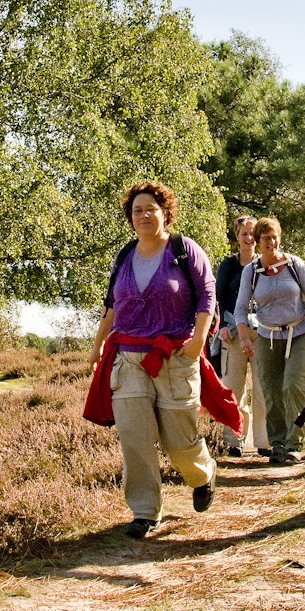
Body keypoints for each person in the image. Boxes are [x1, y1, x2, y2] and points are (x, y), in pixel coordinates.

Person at [85, 181, 238, 540]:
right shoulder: (124, 257)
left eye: (150, 209)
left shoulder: (184, 251)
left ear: (165, 213)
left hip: (174, 358)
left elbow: (207, 295)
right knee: (134, 438)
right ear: (130, 217)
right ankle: (144, 511)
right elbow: (112, 305)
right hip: (128, 359)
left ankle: (203, 474)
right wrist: (97, 346)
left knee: (177, 441)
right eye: (137, 210)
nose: (143, 216)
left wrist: (199, 339)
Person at [235, 216, 305, 466]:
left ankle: (294, 443)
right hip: (266, 335)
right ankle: (278, 444)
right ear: (257, 241)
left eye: (274, 237)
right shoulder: (251, 272)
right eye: (265, 238)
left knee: (293, 385)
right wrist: (244, 338)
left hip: (299, 333)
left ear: (279, 238)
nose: (271, 242)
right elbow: (240, 309)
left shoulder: (295, 265)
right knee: (271, 390)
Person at [215, 215, 270, 457]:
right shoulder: (228, 265)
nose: (249, 238)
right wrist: (221, 327)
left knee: (262, 387)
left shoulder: (266, 264)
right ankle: (233, 440)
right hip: (233, 333)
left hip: (261, 332)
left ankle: (264, 441)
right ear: (237, 237)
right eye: (244, 234)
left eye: (252, 234)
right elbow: (217, 298)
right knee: (233, 388)